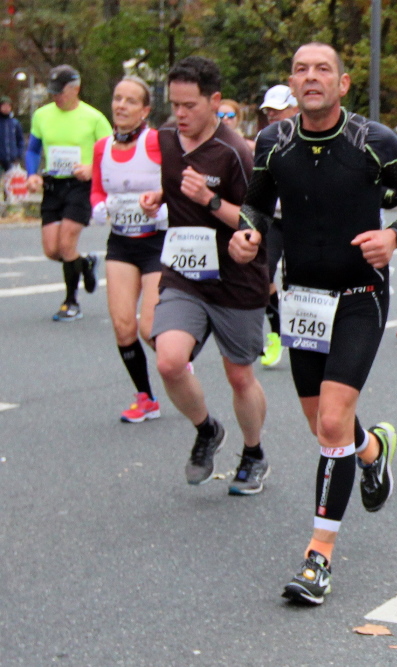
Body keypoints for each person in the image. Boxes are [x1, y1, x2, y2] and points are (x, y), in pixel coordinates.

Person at [232, 42, 397, 605]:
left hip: (358, 296)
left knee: (330, 422)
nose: (311, 77)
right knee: (324, 425)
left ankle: (317, 558)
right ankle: (371, 451)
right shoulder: (273, 142)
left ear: (342, 84)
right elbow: (256, 205)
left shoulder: (373, 140)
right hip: (303, 301)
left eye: (323, 69)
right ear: (292, 82)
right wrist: (248, 234)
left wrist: (393, 236)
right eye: (301, 69)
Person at [138, 56, 269, 495]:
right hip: (185, 272)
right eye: (174, 104)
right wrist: (159, 197)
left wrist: (210, 201)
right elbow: (175, 183)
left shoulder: (235, 152)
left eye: (189, 105)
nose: (180, 114)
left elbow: (256, 219)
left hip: (237, 277)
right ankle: (207, 429)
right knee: (169, 361)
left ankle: (253, 453)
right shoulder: (167, 138)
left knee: (240, 376)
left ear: (214, 101)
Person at [90, 76, 167, 423]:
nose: (121, 106)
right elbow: (97, 189)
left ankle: (178, 361)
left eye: (130, 101)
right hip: (121, 241)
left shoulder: (156, 142)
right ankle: (145, 397)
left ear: (145, 110)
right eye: (117, 98)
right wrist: (97, 206)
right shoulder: (101, 147)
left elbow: (176, 181)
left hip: (156, 242)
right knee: (123, 327)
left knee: (149, 328)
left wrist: (164, 208)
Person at [24, 65, 112, 321]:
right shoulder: (42, 115)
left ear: (75, 89)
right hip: (53, 185)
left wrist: (92, 169)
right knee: (52, 250)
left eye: (60, 92)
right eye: (52, 92)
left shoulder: (94, 118)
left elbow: (111, 152)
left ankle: (71, 302)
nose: (55, 97)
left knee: (66, 244)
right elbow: (33, 149)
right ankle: (84, 263)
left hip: (81, 186)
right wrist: (31, 174)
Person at [257, 84, 300, 369]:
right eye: (268, 110)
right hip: (273, 220)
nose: (272, 115)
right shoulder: (264, 139)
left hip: (303, 220)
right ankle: (276, 331)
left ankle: (316, 331)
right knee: (260, 277)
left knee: (305, 282)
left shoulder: (313, 135)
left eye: (278, 109)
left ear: (295, 109)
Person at [0, 95, 25, 177]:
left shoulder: (15, 123)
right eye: (4, 105)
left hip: (12, 161)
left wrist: (18, 155)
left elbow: (20, 140)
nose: (6, 108)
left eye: (8, 106)